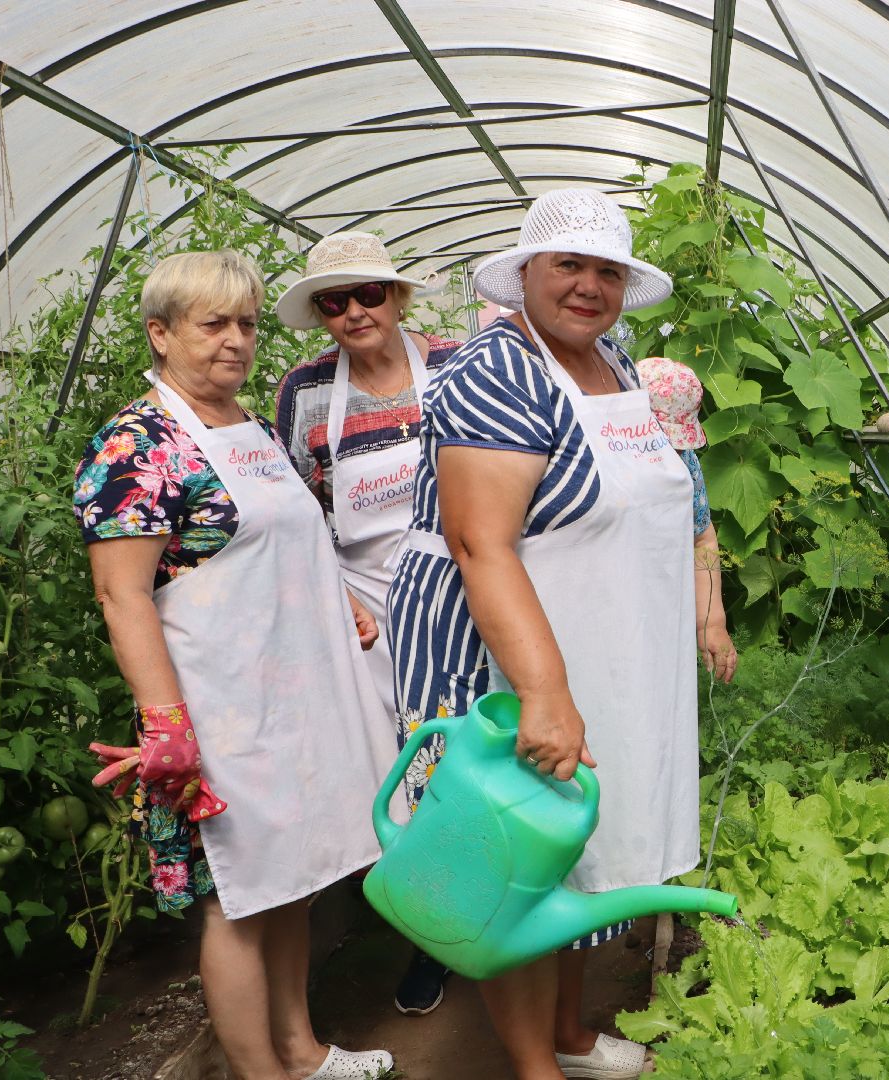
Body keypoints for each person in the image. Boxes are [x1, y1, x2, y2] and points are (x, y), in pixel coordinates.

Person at [387, 188, 729, 1080]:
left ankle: (571, 1036)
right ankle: (533, 1064)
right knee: (518, 854)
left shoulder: (609, 358)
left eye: (606, 270)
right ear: (527, 274)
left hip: (596, 635)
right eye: (567, 266)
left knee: (584, 842)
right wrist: (542, 693)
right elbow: (479, 542)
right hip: (496, 646)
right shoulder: (498, 371)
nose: (587, 286)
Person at [76, 250, 399, 1079]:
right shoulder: (137, 445)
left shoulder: (247, 427)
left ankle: (303, 1050)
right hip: (215, 712)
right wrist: (166, 726)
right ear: (160, 333)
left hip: (285, 699)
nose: (235, 341)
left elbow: (292, 538)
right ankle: (262, 1072)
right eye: (213, 323)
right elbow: (124, 596)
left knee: (293, 880)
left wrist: (342, 599)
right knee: (237, 899)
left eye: (247, 324)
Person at [273, 233, 462, 1018]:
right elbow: (296, 506)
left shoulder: (456, 361)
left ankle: (491, 915)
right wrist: (334, 596)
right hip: (367, 610)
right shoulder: (308, 390)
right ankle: (432, 936)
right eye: (333, 301)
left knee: (463, 760)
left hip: (459, 588)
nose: (353, 312)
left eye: (368, 295)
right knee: (394, 772)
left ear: (399, 297)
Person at [635, 356, 735, 684]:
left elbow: (702, 538)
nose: (666, 451)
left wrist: (711, 623)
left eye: (673, 441)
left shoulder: (686, 464)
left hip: (663, 605)